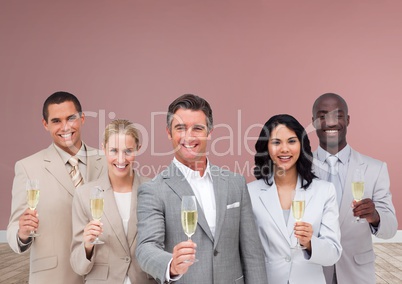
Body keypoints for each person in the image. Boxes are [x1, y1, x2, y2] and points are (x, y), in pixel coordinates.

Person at [135, 94, 267, 284]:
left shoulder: (235, 183)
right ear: (169, 133)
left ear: (209, 132)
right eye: (180, 128)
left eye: (197, 128)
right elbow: (146, 248)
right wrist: (171, 265)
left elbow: (252, 253)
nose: (189, 136)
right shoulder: (153, 190)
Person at [7, 91, 106, 283]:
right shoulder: (27, 167)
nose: (65, 127)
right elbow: (13, 228)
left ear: (82, 118)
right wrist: (22, 233)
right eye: (56, 121)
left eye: (71, 118)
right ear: (45, 125)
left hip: (103, 275)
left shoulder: (108, 161)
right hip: (53, 277)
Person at [311, 93, 398, 284]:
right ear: (314, 122)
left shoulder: (375, 169)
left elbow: (391, 228)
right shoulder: (299, 168)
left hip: (357, 274)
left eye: (338, 115)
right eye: (323, 116)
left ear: (348, 120)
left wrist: (375, 216)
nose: (331, 122)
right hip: (312, 272)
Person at [248, 114, 342, 284]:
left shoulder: (324, 191)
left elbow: (334, 253)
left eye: (291, 141)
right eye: (276, 142)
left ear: (301, 145)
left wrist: (310, 243)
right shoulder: (250, 193)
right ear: (266, 147)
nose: (284, 149)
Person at [70, 119, 156, 283]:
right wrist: (87, 245)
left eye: (128, 151)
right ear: (103, 148)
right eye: (114, 150)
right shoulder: (84, 195)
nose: (121, 159)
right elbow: (78, 265)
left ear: (137, 149)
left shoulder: (154, 190)